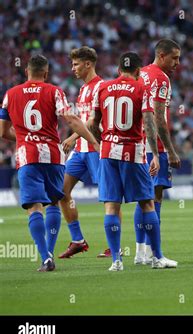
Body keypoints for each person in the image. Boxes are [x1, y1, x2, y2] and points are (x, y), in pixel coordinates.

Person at [0, 54, 99, 271]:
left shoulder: (10, 94)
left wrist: (27, 139)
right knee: (54, 201)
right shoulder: (54, 91)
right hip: (53, 156)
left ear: (26, 71)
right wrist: (93, 141)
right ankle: (51, 251)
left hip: (27, 157)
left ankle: (45, 257)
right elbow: (72, 120)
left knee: (34, 207)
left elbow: (2, 131)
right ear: (45, 73)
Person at [87, 52, 162, 271]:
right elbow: (149, 123)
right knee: (147, 202)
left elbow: (92, 124)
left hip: (108, 153)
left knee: (111, 206)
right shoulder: (142, 89)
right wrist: (155, 154)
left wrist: (104, 142)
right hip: (133, 152)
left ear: (119, 70)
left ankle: (116, 261)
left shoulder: (102, 88)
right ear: (139, 71)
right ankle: (156, 257)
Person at [132, 39, 181, 267]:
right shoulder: (162, 78)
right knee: (155, 198)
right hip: (155, 147)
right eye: (174, 58)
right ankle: (155, 253)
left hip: (136, 144)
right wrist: (170, 151)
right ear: (161, 55)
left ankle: (140, 252)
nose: (177, 63)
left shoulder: (139, 73)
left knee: (142, 199)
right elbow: (159, 119)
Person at [58, 46, 108, 258]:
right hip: (81, 151)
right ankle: (78, 240)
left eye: (76, 64)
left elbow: (92, 121)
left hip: (96, 147)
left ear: (88, 64)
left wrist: (72, 137)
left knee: (109, 197)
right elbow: (80, 120)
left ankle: (113, 247)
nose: (73, 68)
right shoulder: (82, 89)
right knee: (61, 191)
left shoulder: (101, 86)